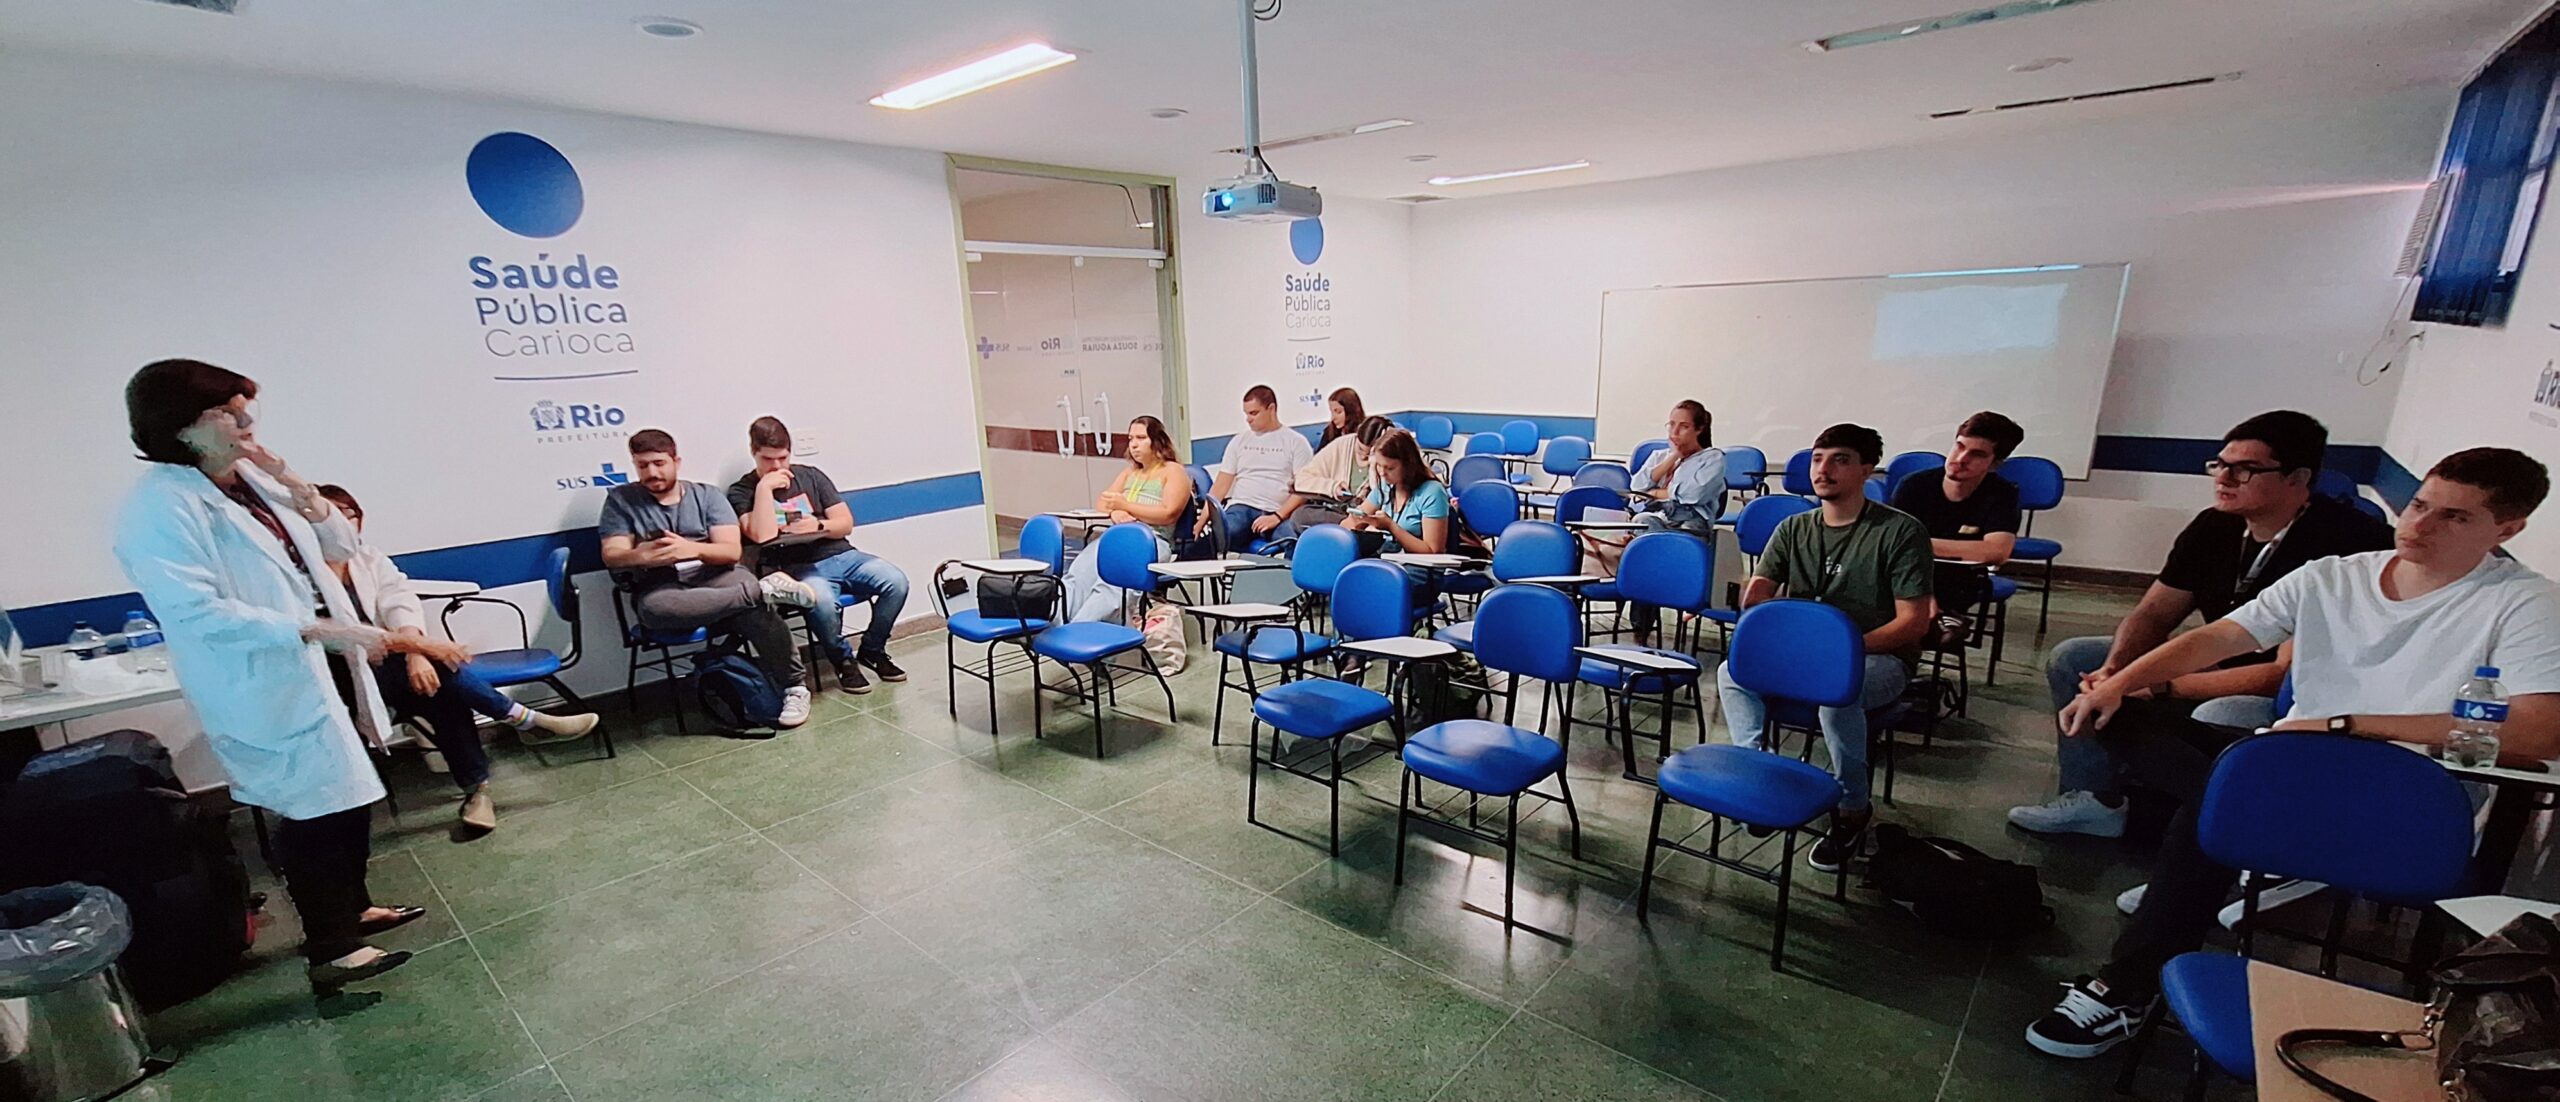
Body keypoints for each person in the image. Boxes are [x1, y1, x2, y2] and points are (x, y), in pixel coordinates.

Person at [2025, 447, 2560, 1061]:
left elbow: (2541, 730)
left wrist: (2347, 725)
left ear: (2508, 530)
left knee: (2222, 795)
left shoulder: (2526, 603)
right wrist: (2119, 682)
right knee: (2126, 716)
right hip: (2296, 759)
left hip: (2412, 786)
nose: (2418, 526)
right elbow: (2223, 635)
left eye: (2454, 518)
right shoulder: (2338, 574)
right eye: (2418, 505)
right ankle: (2218, 825)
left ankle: (2126, 988)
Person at [112, 359, 433, 993]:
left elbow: (343, 548)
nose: (245, 422)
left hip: (325, 661)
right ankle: (332, 946)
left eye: (242, 408)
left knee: (350, 792)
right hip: (270, 672)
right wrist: (310, 630)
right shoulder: (160, 507)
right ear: (180, 427)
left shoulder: (250, 483)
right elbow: (195, 610)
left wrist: (295, 484)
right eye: (226, 413)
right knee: (312, 810)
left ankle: (356, 905)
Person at [2007, 411, 2393, 838]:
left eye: (2245, 469)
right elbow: (2154, 613)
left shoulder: (2343, 545)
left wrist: (2158, 685)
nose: (2223, 478)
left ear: (2297, 478)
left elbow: (2282, 674)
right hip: (2218, 658)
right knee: (2077, 657)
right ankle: (2097, 800)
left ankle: (2208, 836)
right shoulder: (2215, 525)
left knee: (2219, 712)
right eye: (2219, 464)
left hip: (2301, 693)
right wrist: (2116, 669)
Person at [313, 485, 602, 833]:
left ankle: (478, 792)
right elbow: (333, 636)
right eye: (330, 517)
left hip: (389, 669)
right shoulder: (302, 574)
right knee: (442, 672)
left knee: (442, 691)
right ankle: (523, 722)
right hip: (338, 681)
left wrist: (416, 652)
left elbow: (399, 600)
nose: (342, 524)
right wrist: (417, 649)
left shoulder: (369, 559)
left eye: (349, 514)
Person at [1716, 423, 1935, 872]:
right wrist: (1752, 603)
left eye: (1840, 459)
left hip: (1879, 658)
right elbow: (1760, 590)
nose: (1824, 469)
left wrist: (1841, 652)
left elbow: (1912, 623)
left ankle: (1853, 807)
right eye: (1818, 459)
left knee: (1838, 695)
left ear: (1867, 469)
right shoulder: (1793, 527)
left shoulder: (1899, 531)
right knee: (1731, 672)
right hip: (1804, 653)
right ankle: (1757, 770)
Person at [598, 429, 821, 728]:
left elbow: (730, 551)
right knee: (654, 610)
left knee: (755, 612)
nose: (651, 472)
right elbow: (612, 554)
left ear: (676, 460)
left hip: (716, 576)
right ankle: (761, 591)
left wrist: (690, 549)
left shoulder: (707, 496)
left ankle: (795, 687)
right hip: (663, 585)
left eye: (659, 463)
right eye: (642, 465)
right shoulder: (621, 500)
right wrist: (644, 555)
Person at [727, 417, 911, 694]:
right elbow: (761, 535)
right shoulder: (741, 491)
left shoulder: (811, 476)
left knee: (896, 581)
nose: (777, 466)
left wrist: (819, 525)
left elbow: (845, 523)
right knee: (823, 601)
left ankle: (872, 649)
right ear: (753, 452)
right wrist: (764, 489)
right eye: (768, 459)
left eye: (783, 458)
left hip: (840, 555)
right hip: (794, 567)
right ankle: (843, 660)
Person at [1612, 400, 1727, 644]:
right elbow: (1636, 485)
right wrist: (1673, 456)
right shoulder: (1660, 455)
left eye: (1683, 426)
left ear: (1699, 429)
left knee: (1645, 549)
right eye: (1671, 425)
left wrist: (1655, 492)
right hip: (1658, 522)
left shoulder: (1713, 459)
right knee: (1645, 532)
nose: (1674, 433)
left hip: (1691, 528)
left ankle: (1640, 626)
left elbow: (1693, 495)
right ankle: (1641, 627)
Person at [1060, 416, 1194, 624]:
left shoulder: (1173, 471)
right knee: (1078, 574)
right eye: (1131, 438)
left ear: (1157, 441)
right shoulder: (1130, 472)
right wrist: (1115, 513)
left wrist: (1126, 506)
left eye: (1141, 438)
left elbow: (1168, 513)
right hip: (1118, 538)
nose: (1133, 444)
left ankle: (1080, 629)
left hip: (1151, 541)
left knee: (1112, 587)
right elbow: (1103, 503)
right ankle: (1057, 627)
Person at [1891, 411, 2024, 617]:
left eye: (1977, 454)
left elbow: (1998, 551)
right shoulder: (1914, 485)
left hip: (1957, 580)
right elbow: (1891, 544)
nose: (1961, 459)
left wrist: (1918, 544)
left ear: (1995, 463)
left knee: (1934, 599)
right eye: (1959, 447)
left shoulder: (2002, 493)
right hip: (1905, 574)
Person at [1199, 385, 1314, 548]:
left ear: (1271, 409)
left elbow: (1303, 491)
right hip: (1242, 507)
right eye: (1246, 414)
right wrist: (1202, 521)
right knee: (1223, 534)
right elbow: (1220, 487)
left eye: (1254, 413)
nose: (1248, 419)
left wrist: (1277, 516)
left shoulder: (1296, 442)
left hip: (1279, 511)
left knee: (1293, 541)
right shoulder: (1239, 441)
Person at [1343, 429, 1453, 556]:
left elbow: (1433, 551)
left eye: (1390, 468)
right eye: (1379, 465)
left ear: (1408, 465)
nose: (1382, 473)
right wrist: (1357, 521)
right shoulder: (1385, 486)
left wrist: (1391, 526)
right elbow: (1351, 521)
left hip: (1418, 565)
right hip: (1387, 557)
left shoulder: (1432, 492)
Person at [1284, 414, 1396, 530]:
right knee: (1301, 516)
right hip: (1342, 513)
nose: (1363, 457)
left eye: (1369, 454)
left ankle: (1353, 529)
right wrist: (1332, 487)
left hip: (1374, 516)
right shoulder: (1343, 445)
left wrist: (1374, 465)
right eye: (1360, 450)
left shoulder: (1390, 459)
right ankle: (1350, 528)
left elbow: (1385, 497)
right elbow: (1302, 479)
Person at [1316, 387, 1368, 451]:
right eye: (1331, 412)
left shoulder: (1366, 432)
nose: (1333, 418)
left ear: (1350, 410)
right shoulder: (1329, 433)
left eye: (1338, 412)